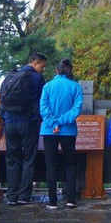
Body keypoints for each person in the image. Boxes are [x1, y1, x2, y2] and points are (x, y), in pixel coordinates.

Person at [2, 52, 46, 205]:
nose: (43, 69)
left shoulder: (12, 75)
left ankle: (11, 195)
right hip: (28, 122)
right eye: (42, 66)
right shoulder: (36, 78)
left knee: (12, 159)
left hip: (9, 122)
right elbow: (42, 99)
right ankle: (23, 196)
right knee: (28, 158)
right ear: (35, 63)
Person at [40, 58, 82, 210]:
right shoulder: (76, 87)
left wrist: (54, 123)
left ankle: (52, 201)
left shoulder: (47, 86)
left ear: (57, 70)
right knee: (70, 164)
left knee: (50, 165)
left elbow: (43, 108)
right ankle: (71, 199)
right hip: (68, 131)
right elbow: (76, 110)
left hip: (49, 130)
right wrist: (62, 121)